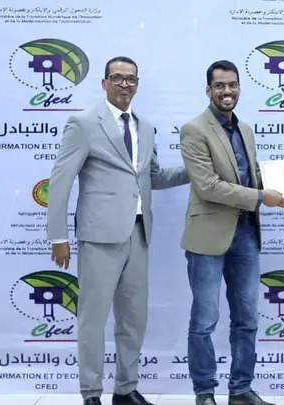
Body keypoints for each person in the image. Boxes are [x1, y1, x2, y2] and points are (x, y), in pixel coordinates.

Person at [47, 56, 190, 405]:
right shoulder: (83, 123)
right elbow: (60, 181)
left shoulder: (146, 127)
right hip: (98, 236)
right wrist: (58, 236)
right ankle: (91, 393)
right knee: (93, 320)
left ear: (137, 85)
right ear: (104, 83)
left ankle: (126, 390)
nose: (124, 84)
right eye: (117, 78)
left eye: (130, 79)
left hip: (138, 235)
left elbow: (153, 177)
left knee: (133, 320)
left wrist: (195, 171)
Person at [178, 60, 282, 405]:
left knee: (247, 319)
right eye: (220, 85)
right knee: (204, 320)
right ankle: (204, 391)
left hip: (246, 234)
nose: (227, 91)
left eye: (232, 85)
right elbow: (208, 186)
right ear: (208, 90)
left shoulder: (246, 129)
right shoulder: (194, 130)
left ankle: (240, 390)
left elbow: (252, 177)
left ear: (239, 88)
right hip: (208, 237)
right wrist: (260, 197)